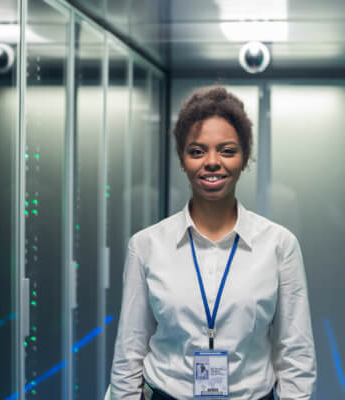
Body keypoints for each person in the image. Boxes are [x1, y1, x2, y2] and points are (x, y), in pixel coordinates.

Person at [110, 86, 316, 400]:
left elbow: (296, 354)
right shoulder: (146, 246)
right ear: (182, 159)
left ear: (245, 157)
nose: (212, 162)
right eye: (197, 151)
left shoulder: (280, 245)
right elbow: (130, 351)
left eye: (227, 150)